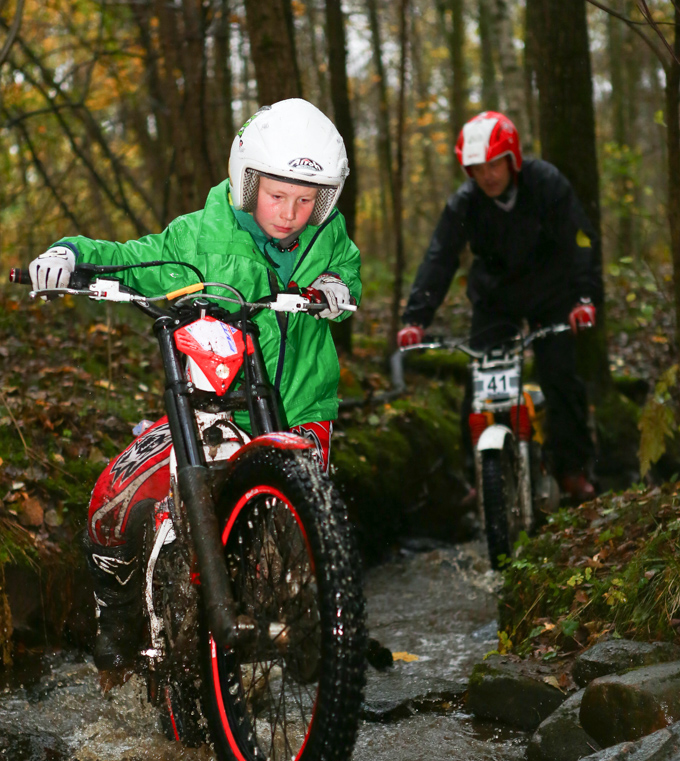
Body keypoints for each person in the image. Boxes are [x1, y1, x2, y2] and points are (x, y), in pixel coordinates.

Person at [28, 98, 361, 670]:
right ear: (248, 182)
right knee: (116, 493)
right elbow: (131, 259)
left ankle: (316, 630)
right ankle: (119, 620)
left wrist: (336, 285)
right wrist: (71, 254)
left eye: (306, 200)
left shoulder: (327, 236)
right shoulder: (197, 237)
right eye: (277, 195)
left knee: (301, 535)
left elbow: (348, 270)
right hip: (211, 408)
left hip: (300, 409)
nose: (290, 213)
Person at [398, 110, 602, 503]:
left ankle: (572, 470)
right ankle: (481, 474)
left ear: (512, 160)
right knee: (480, 384)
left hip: (551, 293)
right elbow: (440, 257)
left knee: (560, 377)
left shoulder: (546, 184)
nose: (488, 175)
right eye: (478, 168)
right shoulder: (465, 203)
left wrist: (584, 298)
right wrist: (415, 318)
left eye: (494, 164)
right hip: (496, 299)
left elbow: (580, 239)